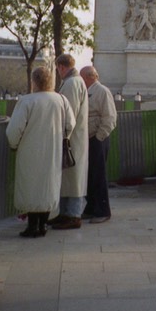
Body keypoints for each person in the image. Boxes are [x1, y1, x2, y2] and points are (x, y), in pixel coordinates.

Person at [6, 66, 75, 238]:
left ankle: (32, 226)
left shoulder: (26, 101)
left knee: (31, 187)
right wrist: (64, 137)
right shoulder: (61, 100)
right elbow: (70, 124)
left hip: (30, 151)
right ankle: (43, 224)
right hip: (53, 150)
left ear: (34, 81)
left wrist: (14, 144)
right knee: (48, 186)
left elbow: (14, 130)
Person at [50, 53, 89, 230]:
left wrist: (62, 135)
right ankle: (66, 213)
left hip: (70, 139)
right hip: (74, 138)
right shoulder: (76, 81)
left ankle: (73, 214)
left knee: (73, 177)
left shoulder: (72, 83)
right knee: (71, 177)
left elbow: (68, 114)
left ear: (61, 67)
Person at [80, 65, 117, 224]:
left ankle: (102, 210)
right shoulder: (89, 92)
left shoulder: (102, 91)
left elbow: (109, 117)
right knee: (89, 175)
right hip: (89, 138)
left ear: (88, 77)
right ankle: (92, 207)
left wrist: (99, 137)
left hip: (97, 139)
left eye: (82, 78)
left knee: (98, 175)